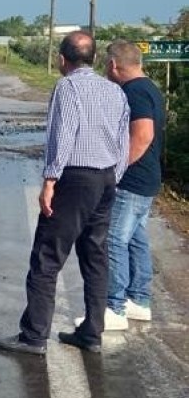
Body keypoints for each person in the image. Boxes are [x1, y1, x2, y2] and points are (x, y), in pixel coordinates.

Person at [0, 31, 129, 355]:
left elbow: (63, 133)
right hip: (106, 178)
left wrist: (50, 180)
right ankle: (92, 333)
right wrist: (114, 176)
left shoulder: (67, 88)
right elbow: (124, 140)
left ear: (61, 59)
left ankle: (34, 336)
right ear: (95, 59)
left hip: (75, 179)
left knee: (47, 256)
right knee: (96, 257)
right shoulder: (114, 91)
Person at [93, 39, 165, 329]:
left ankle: (115, 306)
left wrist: (117, 169)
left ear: (113, 65)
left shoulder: (133, 91)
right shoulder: (150, 88)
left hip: (133, 179)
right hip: (148, 177)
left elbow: (143, 135)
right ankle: (139, 299)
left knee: (113, 239)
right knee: (136, 237)